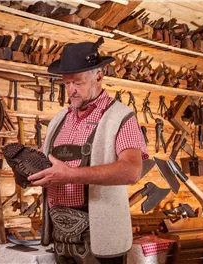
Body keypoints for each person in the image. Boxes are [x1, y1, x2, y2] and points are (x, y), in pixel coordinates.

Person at [27, 37, 149, 264]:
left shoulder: (120, 117)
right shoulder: (58, 120)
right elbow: (48, 166)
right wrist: (30, 172)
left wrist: (71, 175)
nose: (71, 90)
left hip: (102, 239)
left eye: (78, 83)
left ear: (99, 76)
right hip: (60, 236)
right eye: (66, 83)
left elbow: (132, 171)